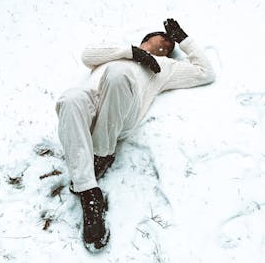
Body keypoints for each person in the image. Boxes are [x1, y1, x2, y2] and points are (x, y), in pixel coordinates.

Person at [55, 18, 215, 252]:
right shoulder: (118, 53)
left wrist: (184, 39)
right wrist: (130, 53)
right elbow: (87, 55)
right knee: (70, 99)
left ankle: (102, 154)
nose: (166, 46)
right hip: (91, 103)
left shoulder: (163, 67)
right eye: (163, 41)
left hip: (122, 111)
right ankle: (89, 191)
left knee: (119, 74)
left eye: (170, 47)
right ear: (145, 41)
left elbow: (206, 73)